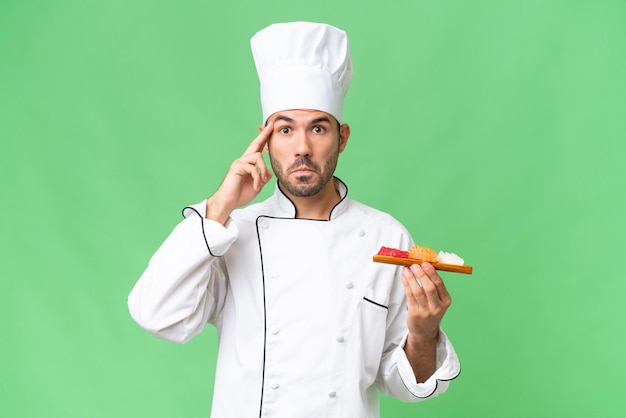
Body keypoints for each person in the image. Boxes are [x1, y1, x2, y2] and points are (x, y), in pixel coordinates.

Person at [128, 21, 460, 418]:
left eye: (318, 128)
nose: (302, 148)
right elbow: (156, 314)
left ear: (342, 137)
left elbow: (404, 382)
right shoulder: (232, 233)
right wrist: (219, 206)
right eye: (285, 129)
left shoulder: (384, 237)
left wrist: (423, 334)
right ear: (265, 140)